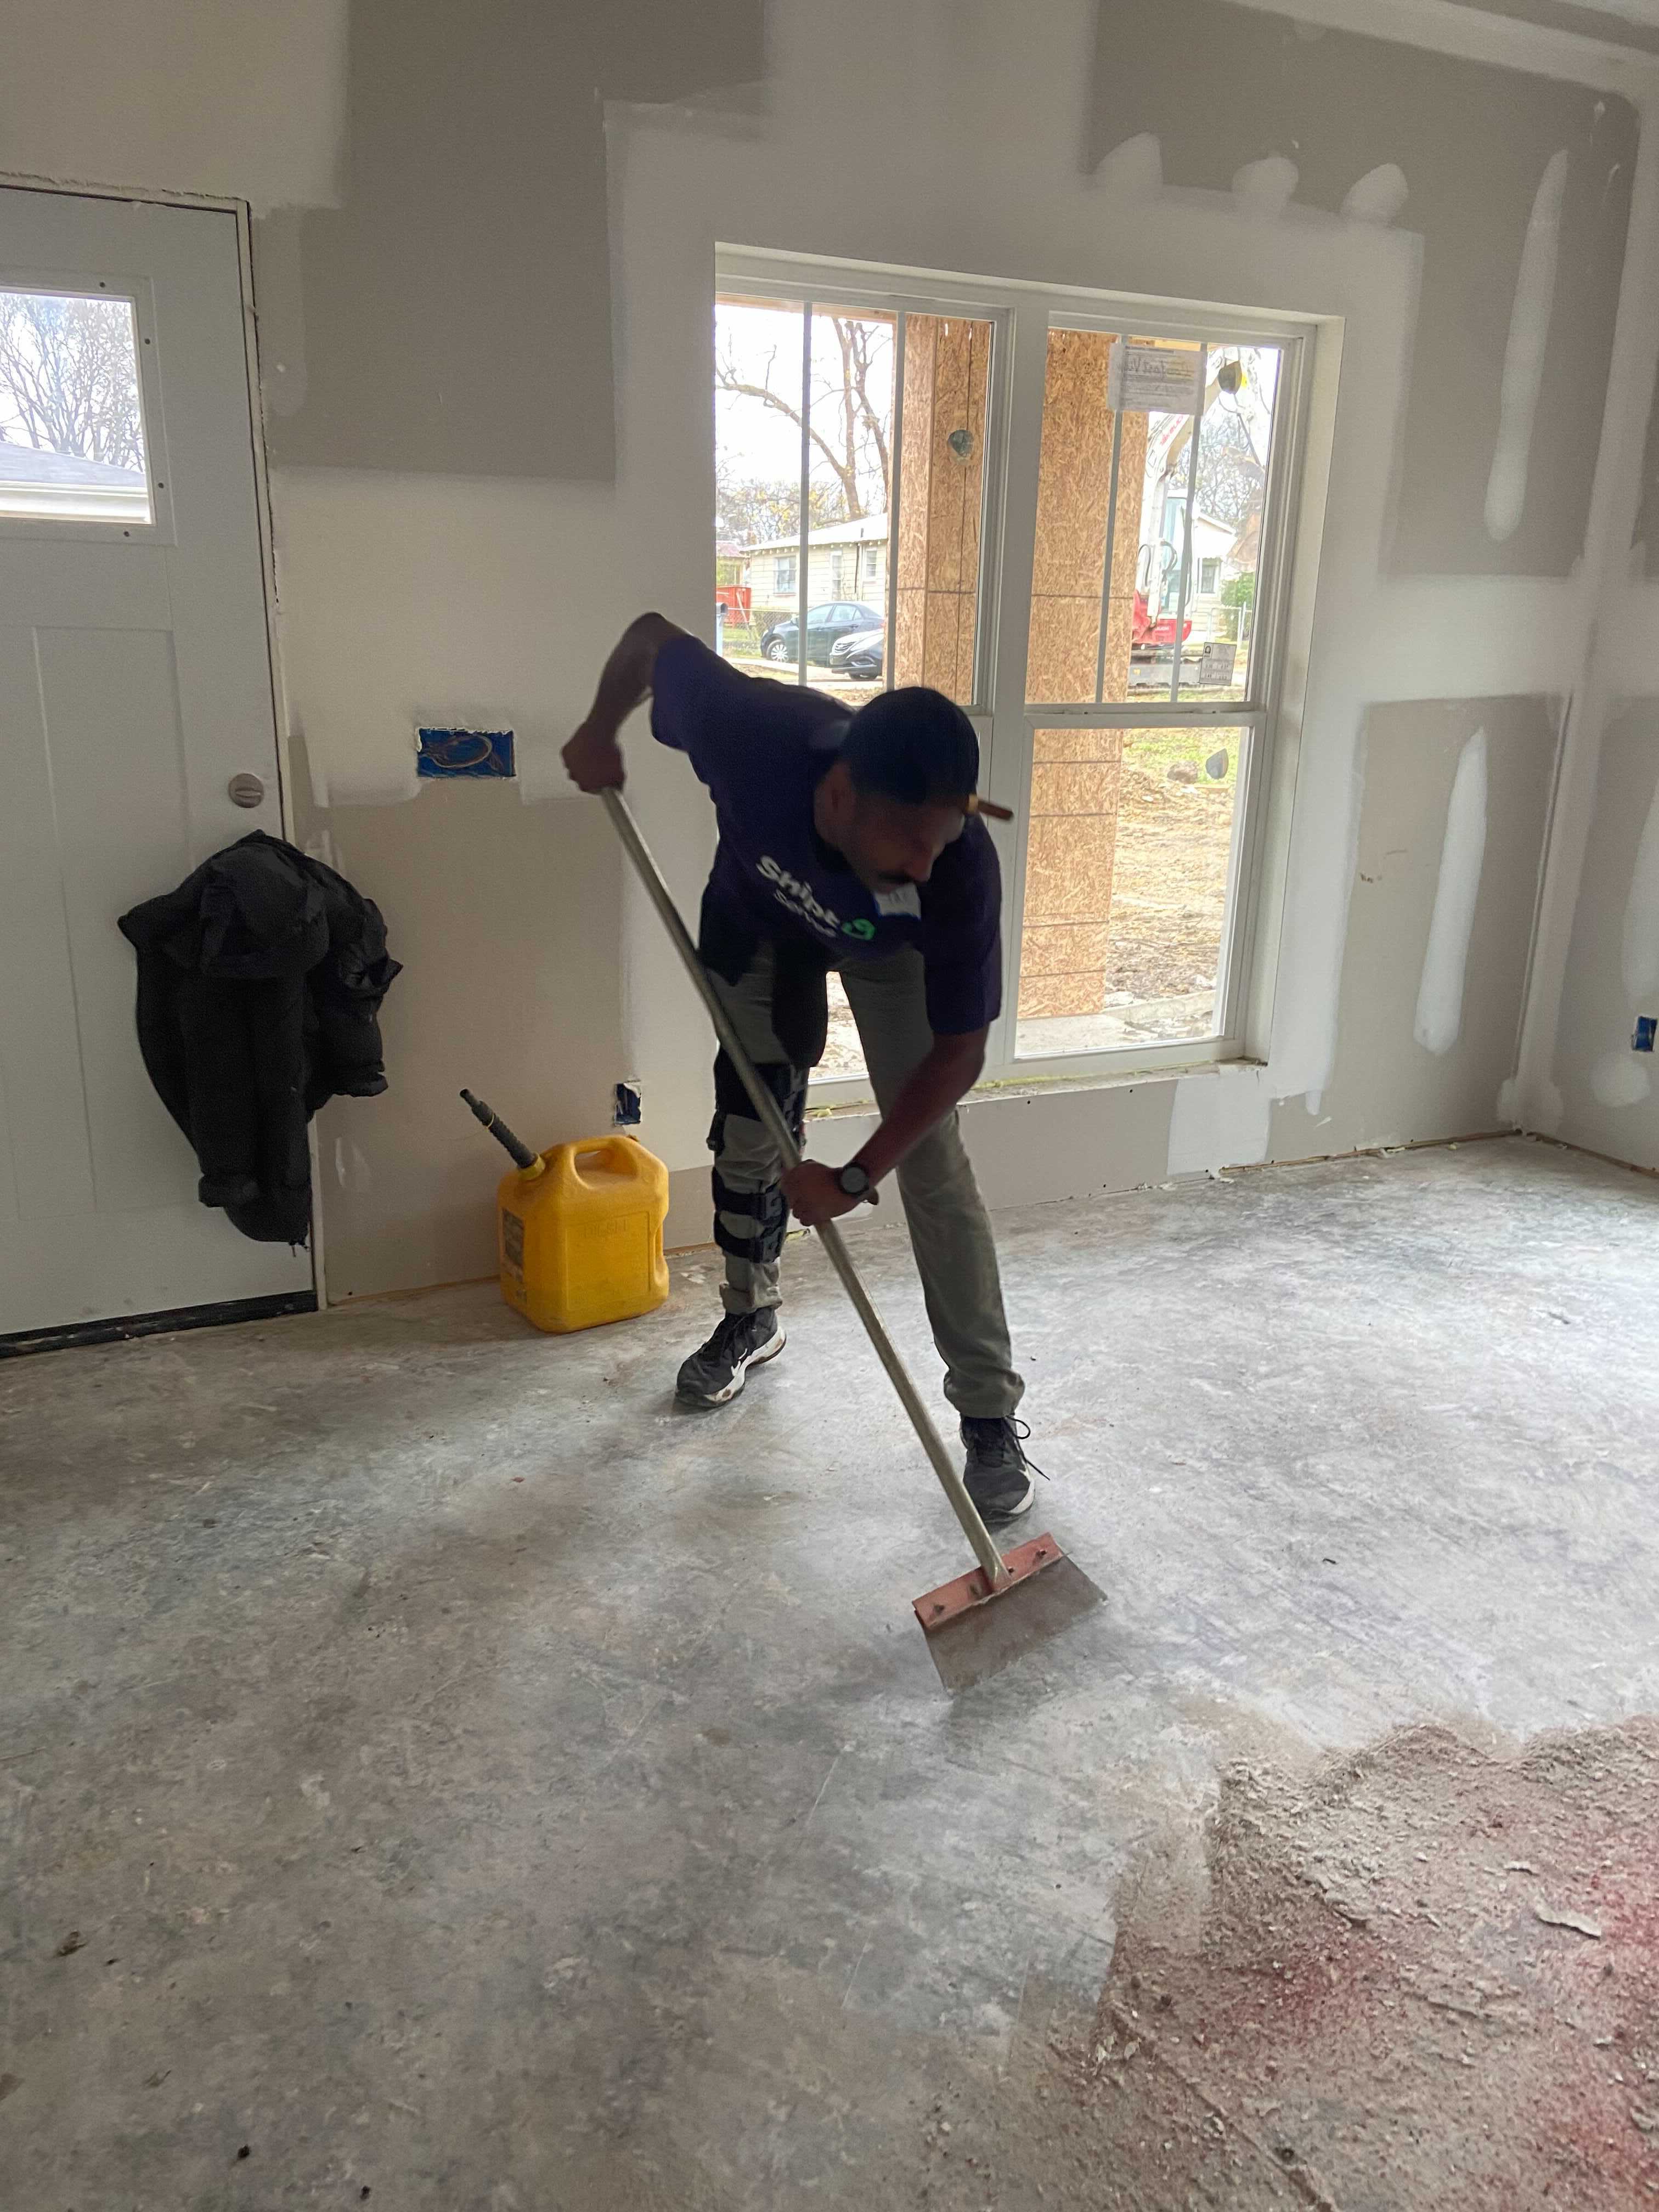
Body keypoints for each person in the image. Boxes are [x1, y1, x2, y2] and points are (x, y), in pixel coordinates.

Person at [562, 613, 1039, 1523]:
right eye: (907, 841)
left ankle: (987, 1412)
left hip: (887, 956)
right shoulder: (750, 732)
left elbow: (961, 1051)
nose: (924, 862)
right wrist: (599, 727)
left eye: (941, 840)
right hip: (757, 921)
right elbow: (652, 640)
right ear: (837, 795)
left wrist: (858, 1176)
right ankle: (751, 1314)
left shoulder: (957, 870)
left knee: (932, 1169)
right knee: (749, 1134)